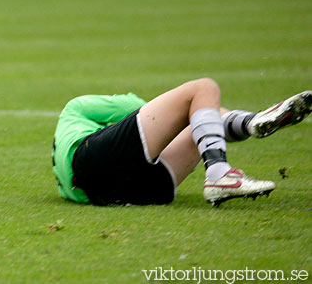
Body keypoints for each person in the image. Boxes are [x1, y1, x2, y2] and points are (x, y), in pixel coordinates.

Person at [52, 78, 312, 207]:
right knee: (202, 90)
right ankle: (223, 165)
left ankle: (252, 123)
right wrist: (170, 111)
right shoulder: (74, 109)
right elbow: (134, 106)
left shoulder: (62, 158)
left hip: (106, 194)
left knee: (200, 118)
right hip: (88, 160)